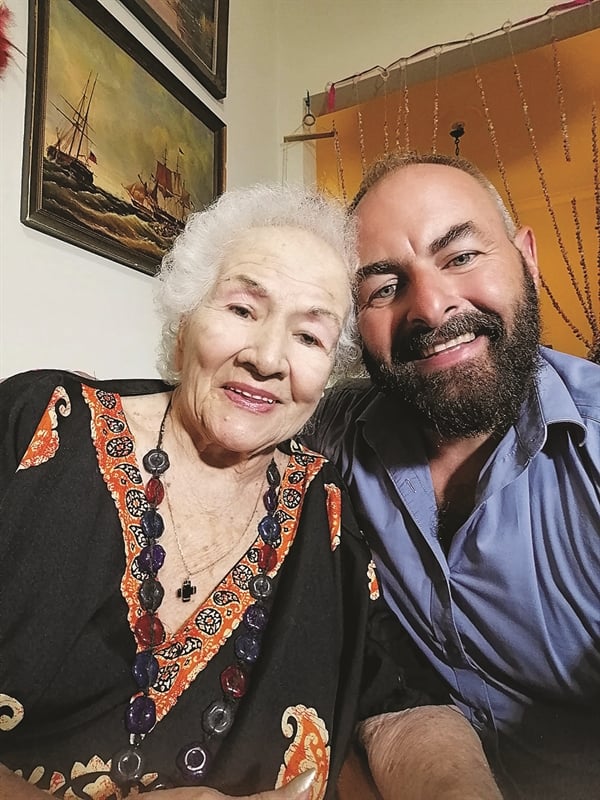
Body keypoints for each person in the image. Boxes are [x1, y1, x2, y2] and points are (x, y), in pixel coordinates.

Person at [0, 183, 501, 800]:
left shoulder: (324, 504)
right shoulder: (38, 426)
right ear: (184, 323)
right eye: (241, 310)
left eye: (310, 337)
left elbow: (398, 700)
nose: (267, 359)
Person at [307, 151, 600, 799]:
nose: (431, 308)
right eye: (385, 287)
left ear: (527, 258)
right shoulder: (334, 430)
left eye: (461, 256)